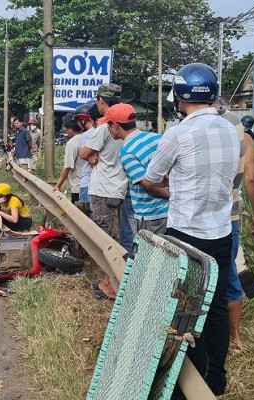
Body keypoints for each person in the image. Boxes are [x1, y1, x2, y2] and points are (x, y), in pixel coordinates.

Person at [144, 63, 239, 395]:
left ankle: (187, 381)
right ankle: (215, 380)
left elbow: (152, 177)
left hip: (186, 235)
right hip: (222, 233)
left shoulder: (178, 133)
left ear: (180, 96)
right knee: (215, 308)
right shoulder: (232, 129)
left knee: (183, 310)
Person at [214, 102, 254, 348]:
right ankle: (234, 338)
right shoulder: (244, 140)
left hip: (197, 217)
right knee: (231, 271)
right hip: (231, 213)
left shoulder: (192, 131)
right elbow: (251, 178)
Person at [80, 83, 128, 299]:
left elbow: (84, 153)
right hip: (118, 189)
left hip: (103, 189)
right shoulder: (126, 126)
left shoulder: (105, 127)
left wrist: (90, 155)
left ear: (101, 101)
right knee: (115, 237)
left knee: (106, 240)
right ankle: (110, 282)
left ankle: (110, 286)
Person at [102, 103, 169, 234]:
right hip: (171, 212)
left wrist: (172, 196)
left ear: (115, 125)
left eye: (108, 125)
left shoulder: (127, 152)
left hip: (150, 215)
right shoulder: (156, 138)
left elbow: (148, 185)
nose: (108, 129)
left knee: (148, 254)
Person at [54, 112, 85, 203]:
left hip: (78, 186)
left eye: (65, 128)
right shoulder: (88, 137)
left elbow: (67, 167)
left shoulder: (72, 142)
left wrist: (58, 185)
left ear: (71, 129)